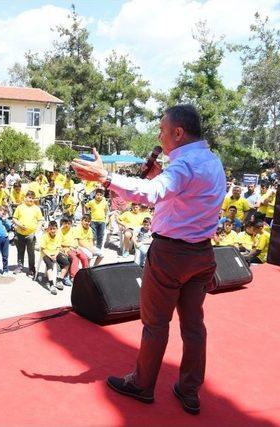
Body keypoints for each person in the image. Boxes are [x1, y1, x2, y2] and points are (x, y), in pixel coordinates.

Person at [72, 104, 226, 415]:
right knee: (194, 326)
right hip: (202, 254)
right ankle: (189, 390)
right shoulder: (211, 161)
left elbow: (150, 195)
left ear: (178, 133)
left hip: (171, 255)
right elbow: (179, 197)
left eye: (162, 130)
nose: (159, 135)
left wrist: (105, 177)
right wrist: (160, 178)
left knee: (156, 324)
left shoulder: (183, 168)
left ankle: (142, 385)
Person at [12, 190, 44, 277]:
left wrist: (37, 231)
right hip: (20, 233)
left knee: (31, 252)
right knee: (20, 251)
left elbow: (40, 220)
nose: (31, 200)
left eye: (33, 198)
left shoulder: (36, 208)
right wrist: (19, 225)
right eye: (30, 197)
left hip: (31, 234)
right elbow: (14, 218)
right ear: (25, 197)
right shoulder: (20, 207)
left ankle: (31, 269)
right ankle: (19, 266)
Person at [40, 220, 69, 295]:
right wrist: (50, 256)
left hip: (55, 253)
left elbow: (58, 248)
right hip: (46, 253)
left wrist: (55, 256)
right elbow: (43, 249)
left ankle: (59, 279)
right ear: (48, 229)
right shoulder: (44, 236)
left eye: (54, 229)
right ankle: (51, 284)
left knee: (66, 263)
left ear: (56, 229)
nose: (52, 230)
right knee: (50, 265)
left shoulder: (58, 236)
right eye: (51, 229)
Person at [59, 217, 85, 285]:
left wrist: (76, 247)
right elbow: (59, 244)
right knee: (75, 258)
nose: (67, 225)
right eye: (65, 223)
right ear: (62, 223)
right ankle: (73, 276)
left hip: (74, 247)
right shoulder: (60, 231)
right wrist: (69, 248)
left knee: (84, 257)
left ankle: (86, 274)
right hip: (66, 248)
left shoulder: (73, 230)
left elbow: (76, 240)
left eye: (69, 223)